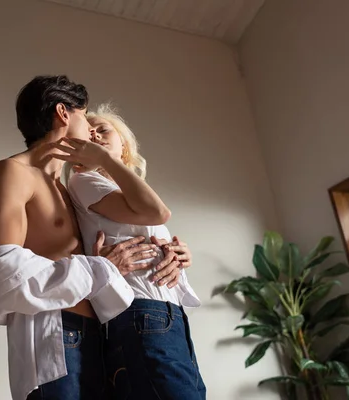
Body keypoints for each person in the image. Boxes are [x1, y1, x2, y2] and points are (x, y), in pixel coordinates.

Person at [0, 76, 184, 400]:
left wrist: (171, 251)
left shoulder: (68, 190)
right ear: (63, 113)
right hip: (53, 338)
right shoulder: (11, 173)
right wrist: (100, 266)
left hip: (100, 338)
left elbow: (140, 223)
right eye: (85, 117)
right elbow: (5, 275)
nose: (91, 130)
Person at [56, 103, 206, 399]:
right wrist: (104, 160)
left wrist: (179, 254)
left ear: (123, 141)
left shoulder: (121, 190)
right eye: (90, 132)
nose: (96, 135)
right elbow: (159, 212)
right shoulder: (83, 180)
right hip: (141, 313)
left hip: (167, 315)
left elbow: (155, 226)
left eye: (104, 130)